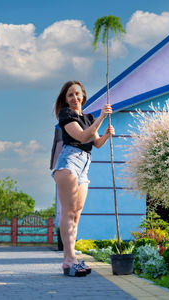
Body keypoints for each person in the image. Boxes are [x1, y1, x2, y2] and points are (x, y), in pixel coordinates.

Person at [52, 80, 114, 277]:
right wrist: (102, 117)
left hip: (85, 164)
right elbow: (81, 137)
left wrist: (105, 135)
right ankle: (69, 260)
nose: (74, 98)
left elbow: (95, 143)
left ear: (83, 96)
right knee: (68, 212)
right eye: (70, 94)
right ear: (66, 99)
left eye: (77, 94)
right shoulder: (66, 114)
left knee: (76, 214)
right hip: (69, 161)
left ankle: (71, 261)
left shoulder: (88, 117)